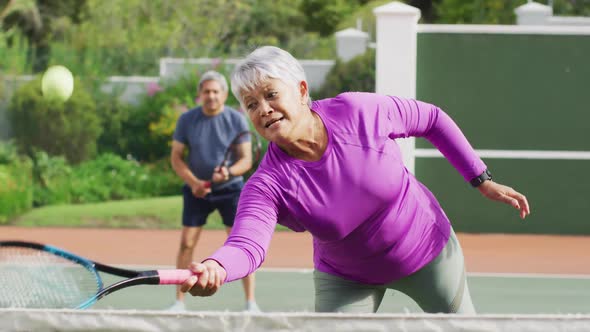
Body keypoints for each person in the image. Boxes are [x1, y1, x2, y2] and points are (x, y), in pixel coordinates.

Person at [179, 47, 530, 314]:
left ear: (301, 90)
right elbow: (247, 245)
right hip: (346, 278)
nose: (263, 109)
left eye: (271, 94)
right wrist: (217, 266)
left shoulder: (358, 112)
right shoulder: (266, 184)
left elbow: (432, 119)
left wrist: (480, 178)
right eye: (251, 104)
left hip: (427, 252)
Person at [168, 70, 259, 312]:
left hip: (230, 190)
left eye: (215, 91)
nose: (211, 96)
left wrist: (227, 173)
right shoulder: (186, 120)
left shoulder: (237, 120)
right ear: (200, 95)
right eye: (206, 91)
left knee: (240, 243)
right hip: (197, 191)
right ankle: (179, 302)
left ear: (225, 94)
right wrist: (193, 182)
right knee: (187, 243)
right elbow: (176, 157)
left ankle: (250, 303)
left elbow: (246, 160)